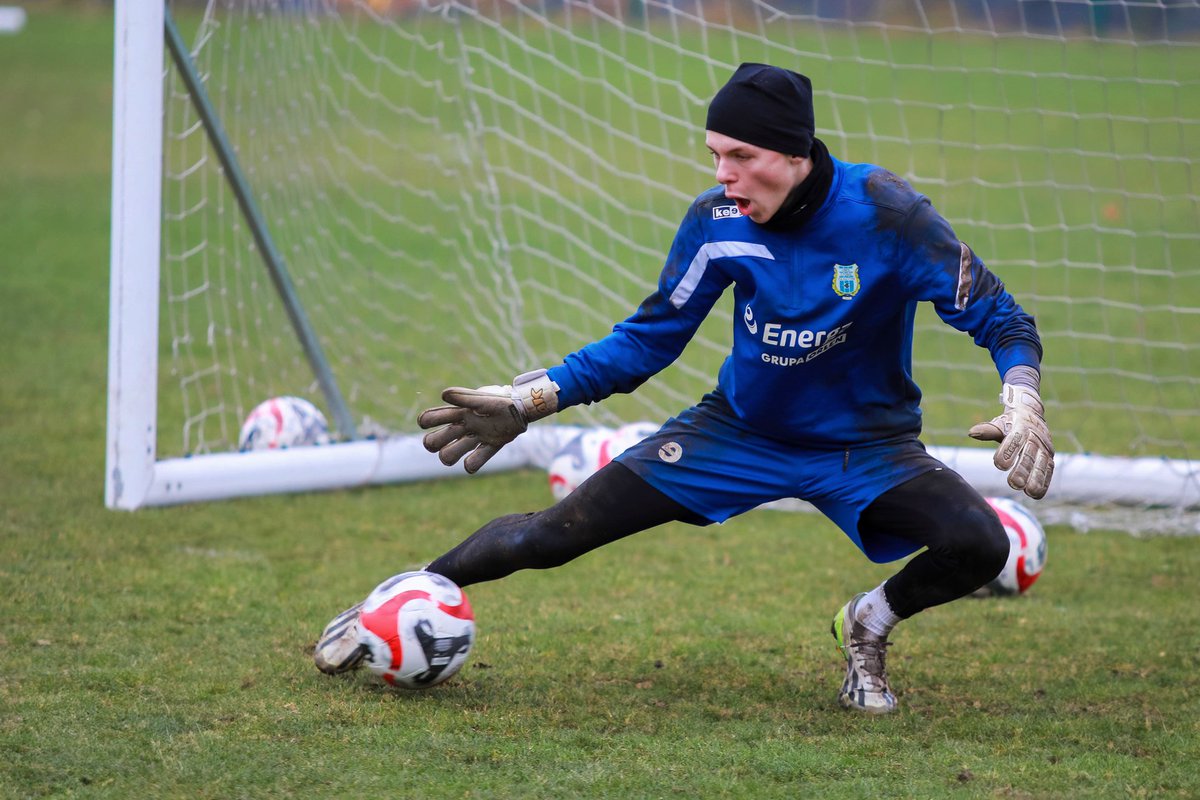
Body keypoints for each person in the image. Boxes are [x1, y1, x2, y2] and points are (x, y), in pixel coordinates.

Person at [314, 63, 1054, 714]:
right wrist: (531, 400)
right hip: (736, 434)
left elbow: (1000, 315)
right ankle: (389, 603)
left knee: (979, 543)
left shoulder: (889, 215)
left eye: (741, 156)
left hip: (866, 448)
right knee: (552, 535)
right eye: (715, 156)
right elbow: (649, 338)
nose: (724, 175)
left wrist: (1022, 395)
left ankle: (868, 622)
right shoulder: (718, 220)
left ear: (795, 154)